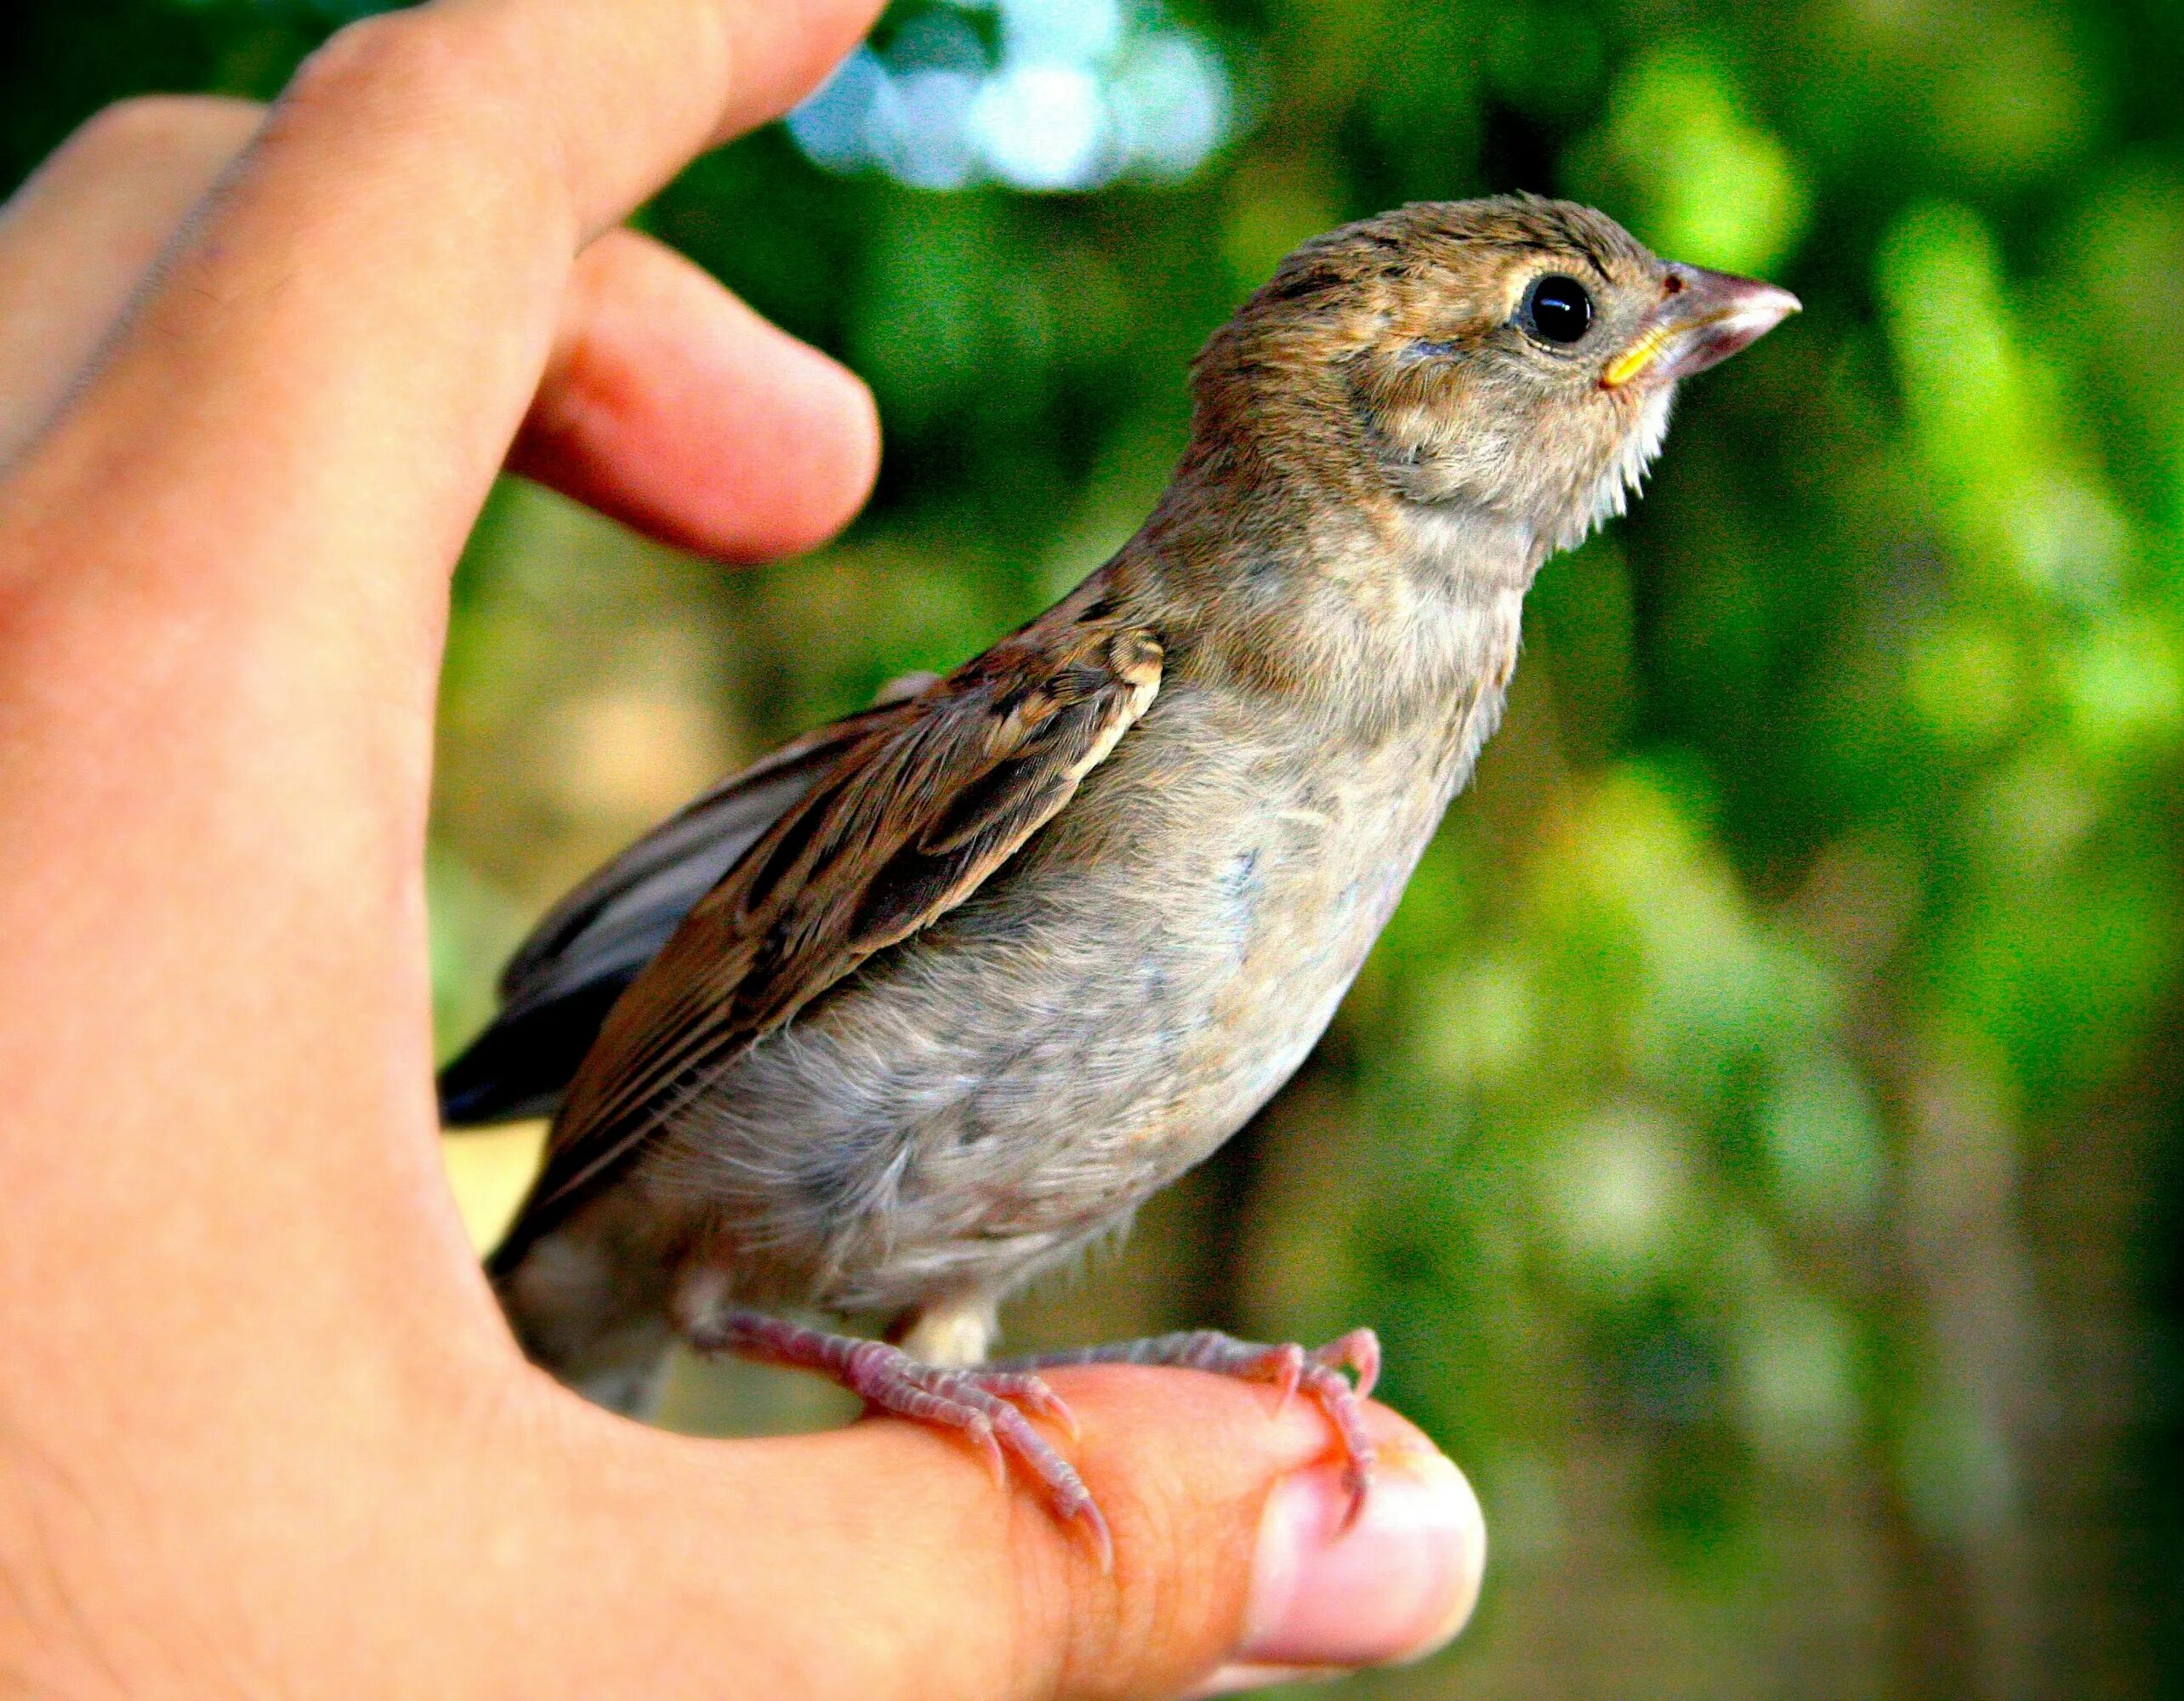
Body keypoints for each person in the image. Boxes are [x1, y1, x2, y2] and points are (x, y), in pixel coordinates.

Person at [0, 1, 1484, 1692]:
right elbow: (736, 960)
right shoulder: (1105, 688)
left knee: (964, 1362)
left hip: (866, 1278)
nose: (1661, 337)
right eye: (1562, 322)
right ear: (1396, 407)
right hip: (655, 1233)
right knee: (917, 1387)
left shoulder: (1412, 708)